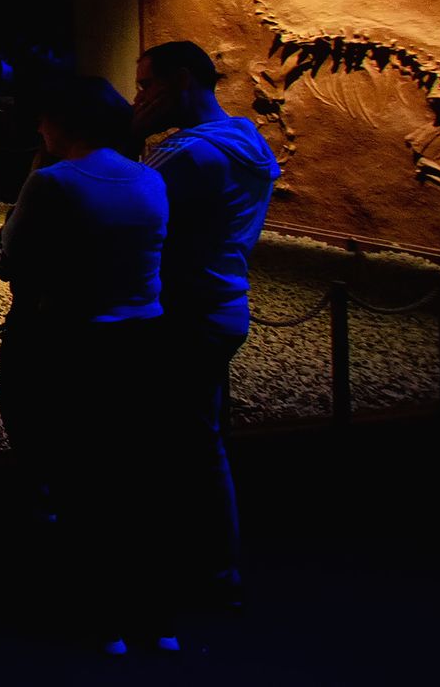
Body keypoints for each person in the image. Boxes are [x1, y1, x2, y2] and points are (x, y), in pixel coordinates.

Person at [0, 75, 171, 655]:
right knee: (126, 473)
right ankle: (143, 611)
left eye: (45, 117)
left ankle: (86, 607)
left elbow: (10, 260)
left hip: (61, 341)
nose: (38, 127)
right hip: (138, 342)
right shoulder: (150, 178)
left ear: (66, 122)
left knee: (65, 469)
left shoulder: (54, 183)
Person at [134, 40, 280, 609]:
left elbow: (128, 204)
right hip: (223, 302)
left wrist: (124, 136)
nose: (141, 96)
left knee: (179, 443)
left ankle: (201, 568)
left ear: (183, 81)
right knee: (201, 438)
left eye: (148, 84)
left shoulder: (188, 156)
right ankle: (212, 560)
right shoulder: (248, 140)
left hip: (181, 310)